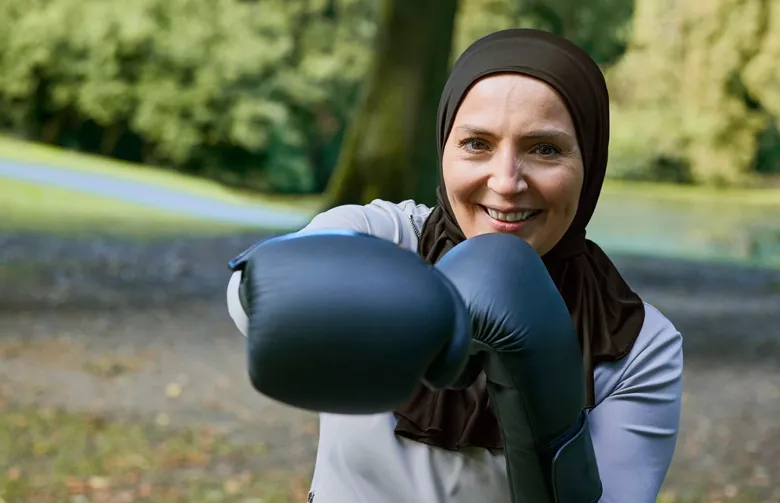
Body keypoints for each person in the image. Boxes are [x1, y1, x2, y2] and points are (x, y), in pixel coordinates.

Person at [226, 28, 683, 503]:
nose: (506, 182)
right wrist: (418, 308)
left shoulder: (638, 345)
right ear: (444, 146)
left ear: (590, 160)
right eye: (477, 143)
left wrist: (547, 407)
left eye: (545, 148)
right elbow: (249, 294)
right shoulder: (383, 236)